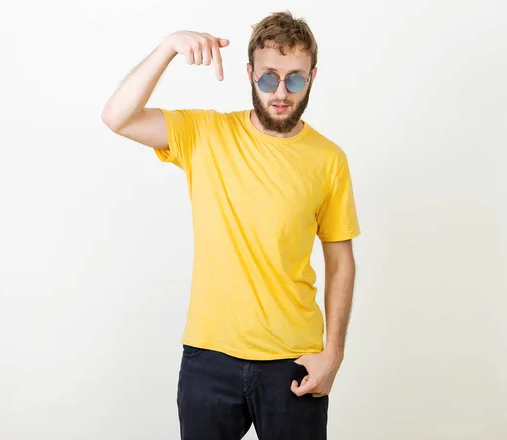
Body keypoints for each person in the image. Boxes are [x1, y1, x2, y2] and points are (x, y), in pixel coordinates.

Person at [101, 10, 361, 440]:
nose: (281, 92)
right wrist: (167, 46)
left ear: (312, 76)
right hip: (209, 358)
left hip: (293, 360)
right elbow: (117, 117)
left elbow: (341, 260)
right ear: (249, 74)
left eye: (295, 79)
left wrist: (333, 353)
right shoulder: (205, 133)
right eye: (268, 78)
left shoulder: (329, 158)